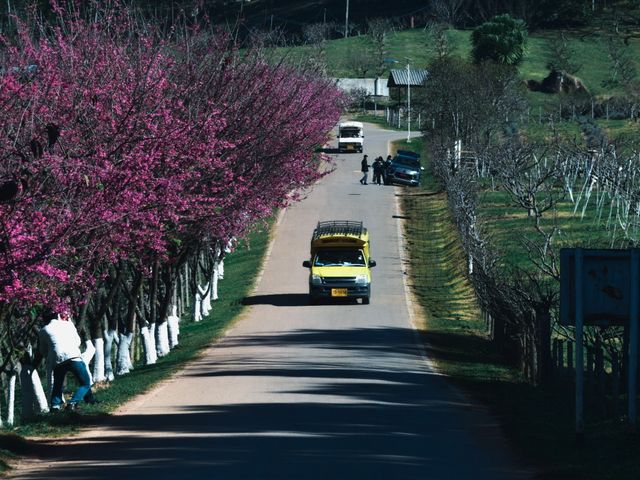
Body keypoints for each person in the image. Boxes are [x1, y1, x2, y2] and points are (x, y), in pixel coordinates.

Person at [38, 309, 97, 411]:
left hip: (57, 360)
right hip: (73, 357)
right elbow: (78, 342)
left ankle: (55, 406)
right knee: (86, 383)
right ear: (57, 316)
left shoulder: (43, 330)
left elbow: (42, 349)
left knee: (58, 384)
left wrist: (49, 356)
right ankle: (73, 403)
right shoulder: (68, 325)